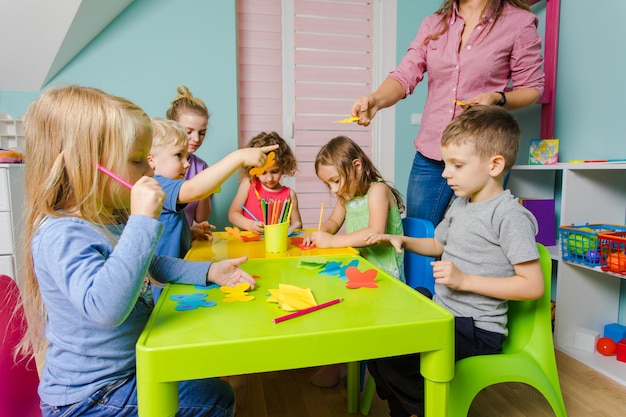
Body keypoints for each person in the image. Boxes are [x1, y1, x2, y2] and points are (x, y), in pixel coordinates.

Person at [17, 85, 259, 417]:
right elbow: (105, 307)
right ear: (88, 165)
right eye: (136, 161)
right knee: (215, 398)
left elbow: (149, 263)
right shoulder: (62, 232)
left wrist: (209, 271)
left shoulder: (110, 217)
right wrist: (143, 221)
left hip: (126, 371)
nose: (149, 172)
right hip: (90, 398)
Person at [364, 105, 545, 417]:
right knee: (378, 330)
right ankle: (408, 407)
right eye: (446, 163)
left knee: (394, 354)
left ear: (494, 165)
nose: (445, 172)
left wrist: (465, 281)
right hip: (444, 313)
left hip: (476, 329)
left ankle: (430, 409)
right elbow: (437, 243)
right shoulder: (461, 205)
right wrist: (402, 240)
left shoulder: (509, 216)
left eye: (456, 165)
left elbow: (533, 286)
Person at [351, 0, 544, 226]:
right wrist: (375, 100)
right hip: (432, 149)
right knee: (418, 230)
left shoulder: (518, 22)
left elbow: (532, 88)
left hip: (482, 153)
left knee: (478, 233)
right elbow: (404, 75)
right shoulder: (434, 24)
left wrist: (497, 99)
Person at [303, 135, 406, 388]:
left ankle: (346, 362)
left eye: (336, 181)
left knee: (341, 306)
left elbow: (374, 232)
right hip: (360, 272)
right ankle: (340, 361)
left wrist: (331, 242)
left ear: (357, 167)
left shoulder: (378, 191)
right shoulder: (346, 196)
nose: (334, 190)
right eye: (328, 185)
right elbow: (332, 223)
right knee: (326, 295)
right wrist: (319, 234)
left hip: (385, 279)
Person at [149, 118, 278, 259]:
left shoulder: (163, 186)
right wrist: (238, 157)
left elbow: (164, 232)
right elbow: (194, 190)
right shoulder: (156, 186)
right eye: (178, 156)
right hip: (164, 279)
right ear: (151, 160)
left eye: (186, 157)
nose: (187, 164)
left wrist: (188, 232)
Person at [166, 85, 215, 240]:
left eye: (202, 133)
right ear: (172, 127)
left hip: (185, 243)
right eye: (189, 132)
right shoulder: (156, 163)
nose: (196, 139)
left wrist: (206, 189)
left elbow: (201, 218)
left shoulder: (201, 167)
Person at [228, 131, 302, 234]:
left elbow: (297, 226)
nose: (269, 178)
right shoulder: (249, 184)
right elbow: (233, 214)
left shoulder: (290, 195)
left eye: (275, 171)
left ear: (283, 167)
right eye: (263, 173)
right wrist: (250, 225)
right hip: (250, 245)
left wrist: (285, 229)